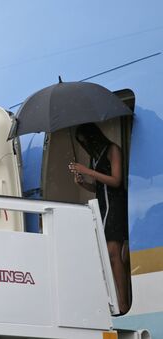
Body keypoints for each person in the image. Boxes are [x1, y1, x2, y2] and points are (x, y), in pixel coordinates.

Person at [68, 122, 129, 313]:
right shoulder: (95, 157)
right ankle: (117, 298)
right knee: (107, 255)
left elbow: (116, 180)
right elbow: (100, 187)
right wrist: (84, 183)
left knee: (113, 253)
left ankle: (123, 301)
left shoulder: (113, 150)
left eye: (86, 141)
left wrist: (88, 171)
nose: (85, 146)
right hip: (103, 205)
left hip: (116, 204)